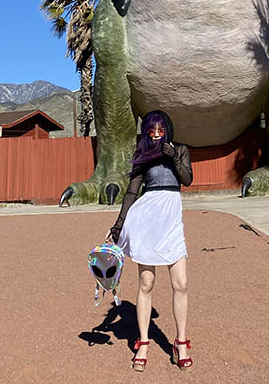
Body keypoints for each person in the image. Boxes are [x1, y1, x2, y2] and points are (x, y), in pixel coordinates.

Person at [106, 110, 194, 372]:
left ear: (167, 129)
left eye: (160, 129)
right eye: (151, 131)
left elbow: (187, 179)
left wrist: (170, 154)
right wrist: (117, 226)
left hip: (171, 222)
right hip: (147, 221)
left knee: (181, 283)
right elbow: (132, 192)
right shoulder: (142, 156)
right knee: (146, 283)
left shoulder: (180, 150)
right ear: (146, 132)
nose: (156, 134)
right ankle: (143, 342)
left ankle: (181, 343)